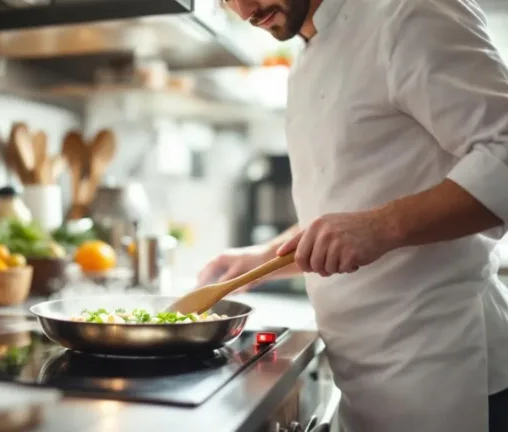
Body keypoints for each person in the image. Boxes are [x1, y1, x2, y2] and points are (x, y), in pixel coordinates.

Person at [201, 0, 508, 431]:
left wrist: (381, 227)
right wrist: (264, 257)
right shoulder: (307, 58)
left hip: (449, 374)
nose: (245, 8)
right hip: (367, 384)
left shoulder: (409, 13)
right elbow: (351, 198)